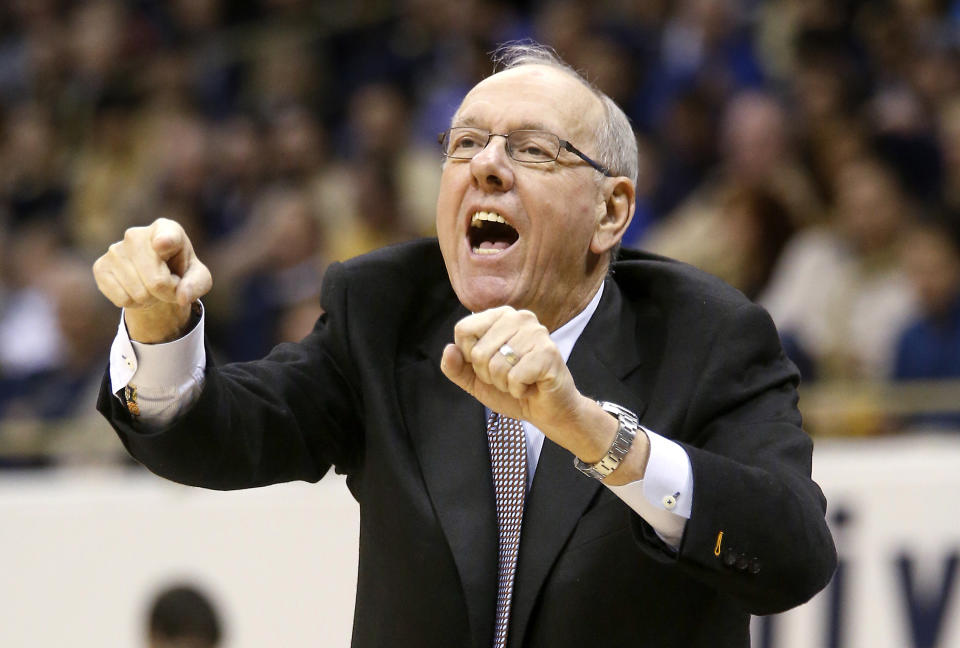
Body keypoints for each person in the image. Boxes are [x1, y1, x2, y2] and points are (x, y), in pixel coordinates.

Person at [93, 43, 836, 648]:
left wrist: (593, 434)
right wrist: (158, 329)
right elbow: (217, 437)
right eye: (467, 143)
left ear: (611, 213)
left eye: (535, 151)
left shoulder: (708, 335)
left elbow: (793, 555)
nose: (487, 165)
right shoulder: (384, 310)